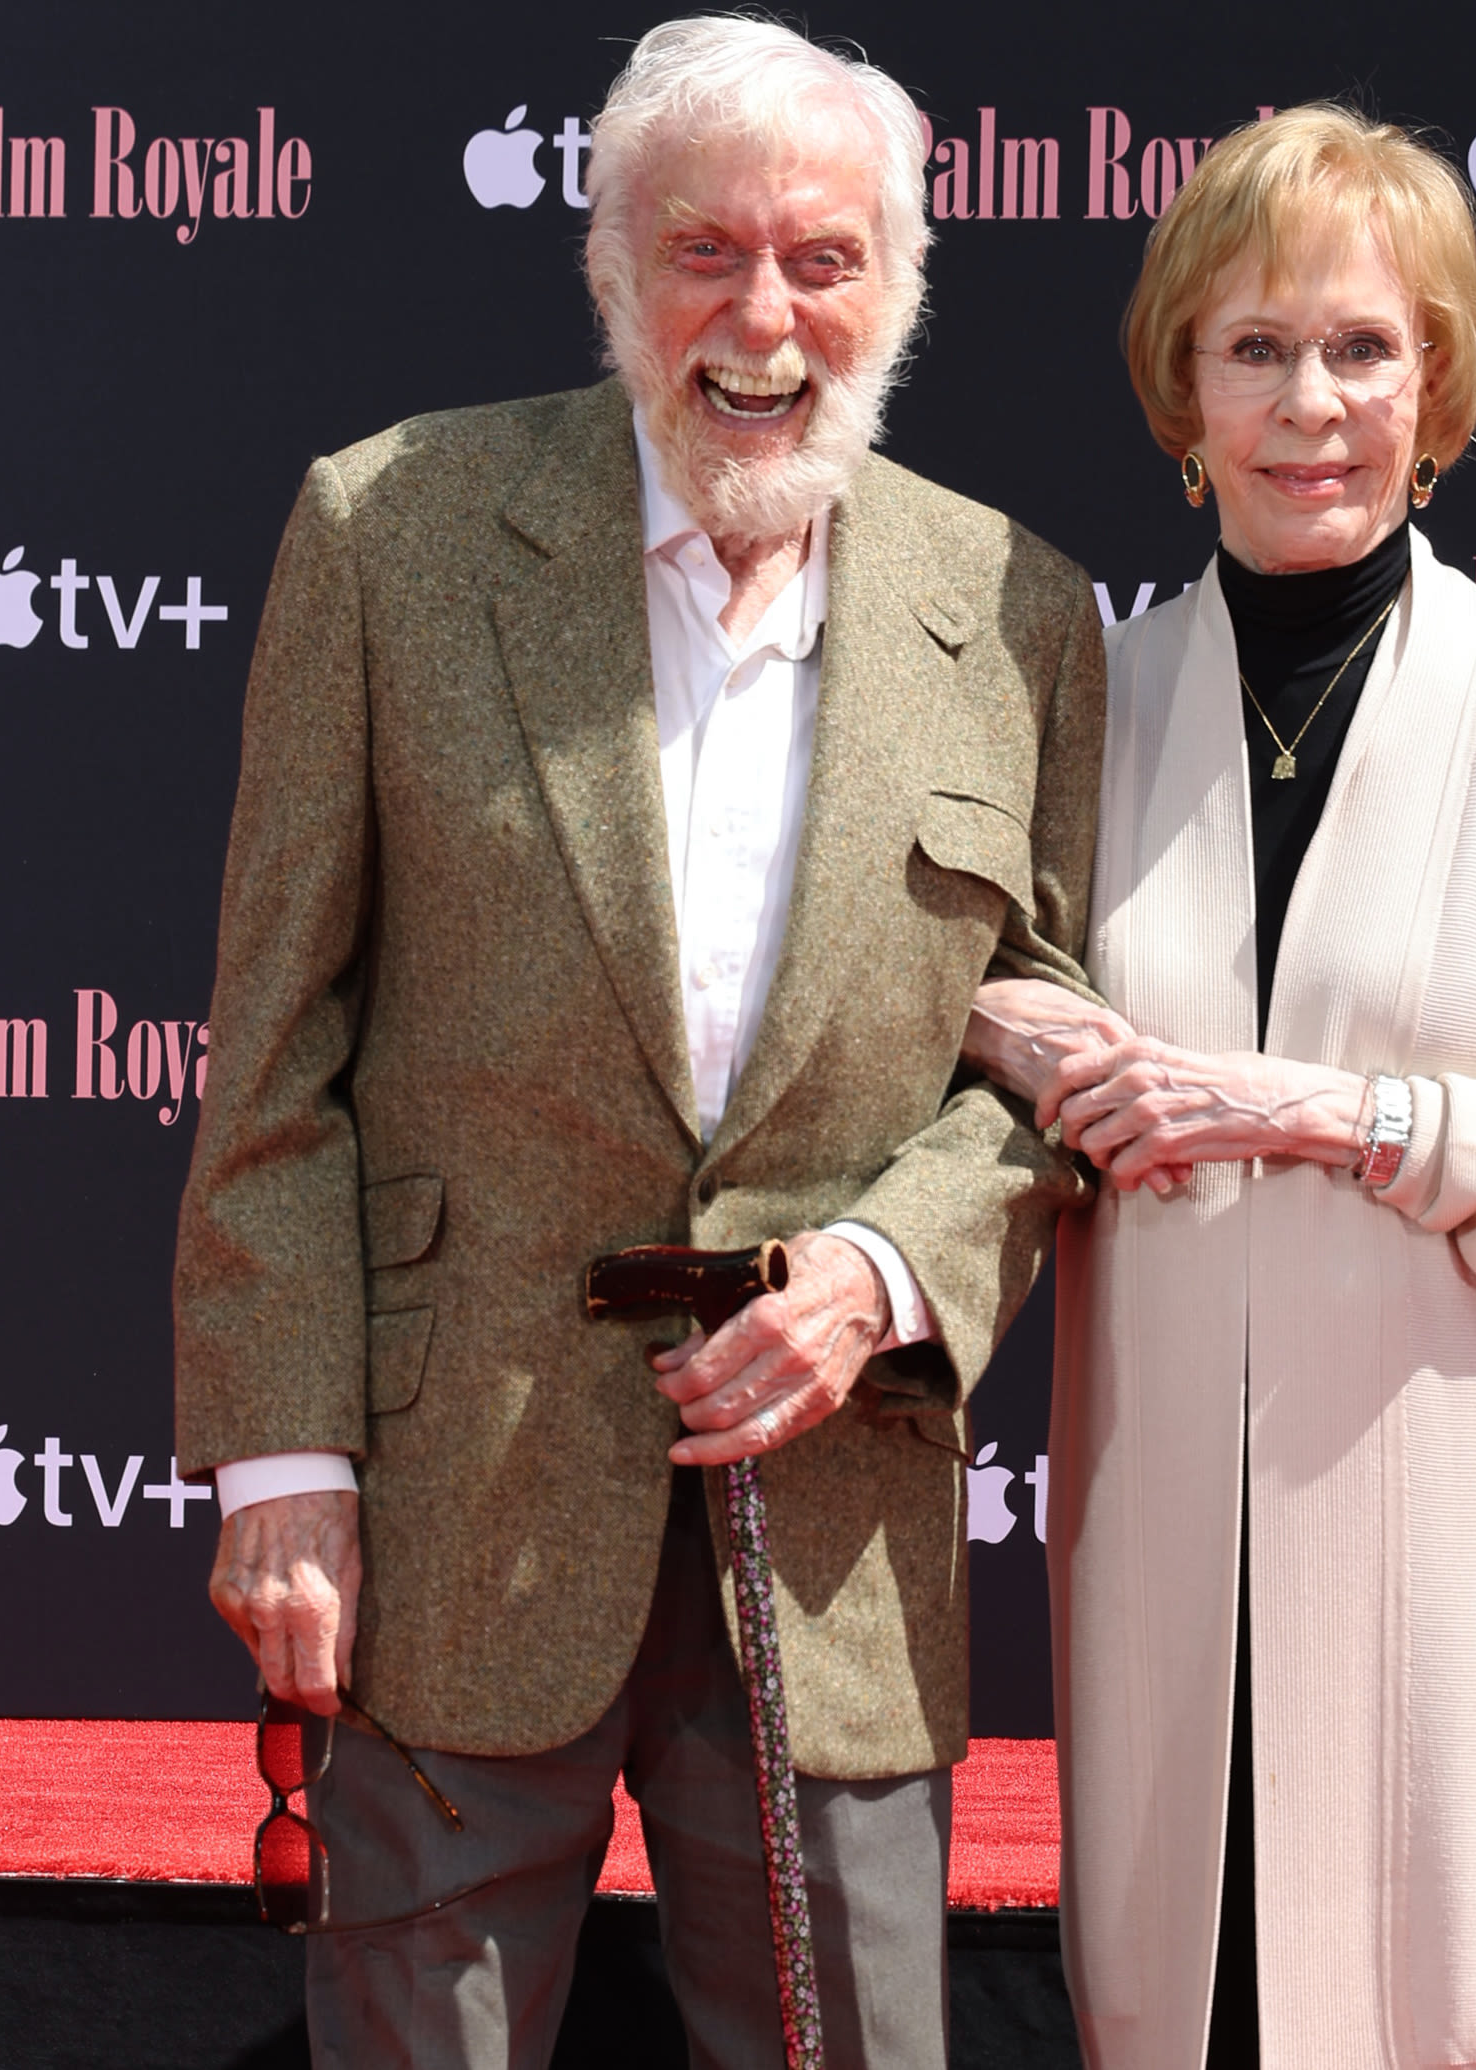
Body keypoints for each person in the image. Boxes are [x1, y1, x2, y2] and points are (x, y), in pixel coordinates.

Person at [169, 19, 1105, 2068]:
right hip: (450, 1500)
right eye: (703, 253)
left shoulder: (1013, 605)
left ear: (902, 287)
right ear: (608, 269)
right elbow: (275, 1046)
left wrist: (876, 1277)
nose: (763, 316)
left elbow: (1041, 1069)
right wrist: (284, 1456)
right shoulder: (387, 533)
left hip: (830, 1516)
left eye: (824, 260)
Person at [960, 105, 1476, 2069]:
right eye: (1255, 348)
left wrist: (1329, 1113)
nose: (1311, 403)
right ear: (1179, 390)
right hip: (1167, 1570)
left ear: (1436, 380)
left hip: (1441, 1579)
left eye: (1362, 348)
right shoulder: (1088, 698)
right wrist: (986, 1021)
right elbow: (925, 990)